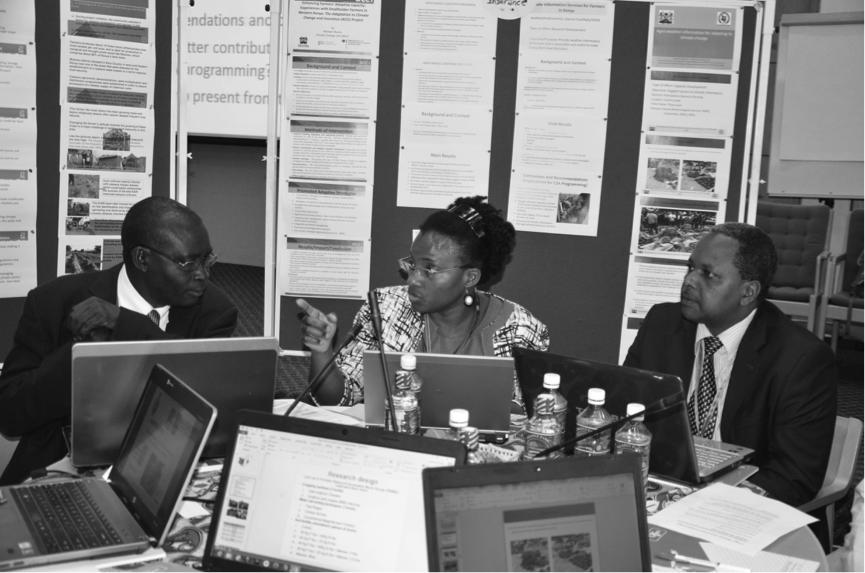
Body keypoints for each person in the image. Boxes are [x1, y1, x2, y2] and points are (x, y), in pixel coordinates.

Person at [0, 196, 238, 484]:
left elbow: (201, 398)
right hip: (60, 471)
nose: (203, 274)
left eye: (207, 259)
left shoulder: (214, 311)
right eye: (189, 263)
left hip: (160, 472)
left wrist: (124, 324)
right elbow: (10, 414)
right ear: (142, 259)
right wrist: (81, 354)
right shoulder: (53, 301)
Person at [624, 222, 837, 507]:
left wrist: (707, 502)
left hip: (739, 503)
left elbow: (794, 476)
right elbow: (625, 413)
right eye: (690, 268)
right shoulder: (661, 323)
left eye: (708, 274)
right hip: (660, 488)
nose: (689, 281)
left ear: (748, 292)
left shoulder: (801, 359)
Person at [297, 196, 550, 410]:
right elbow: (340, 399)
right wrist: (323, 352)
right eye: (413, 264)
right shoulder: (385, 309)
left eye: (430, 269)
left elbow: (530, 421)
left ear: (470, 277)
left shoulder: (521, 330)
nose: (413, 279)